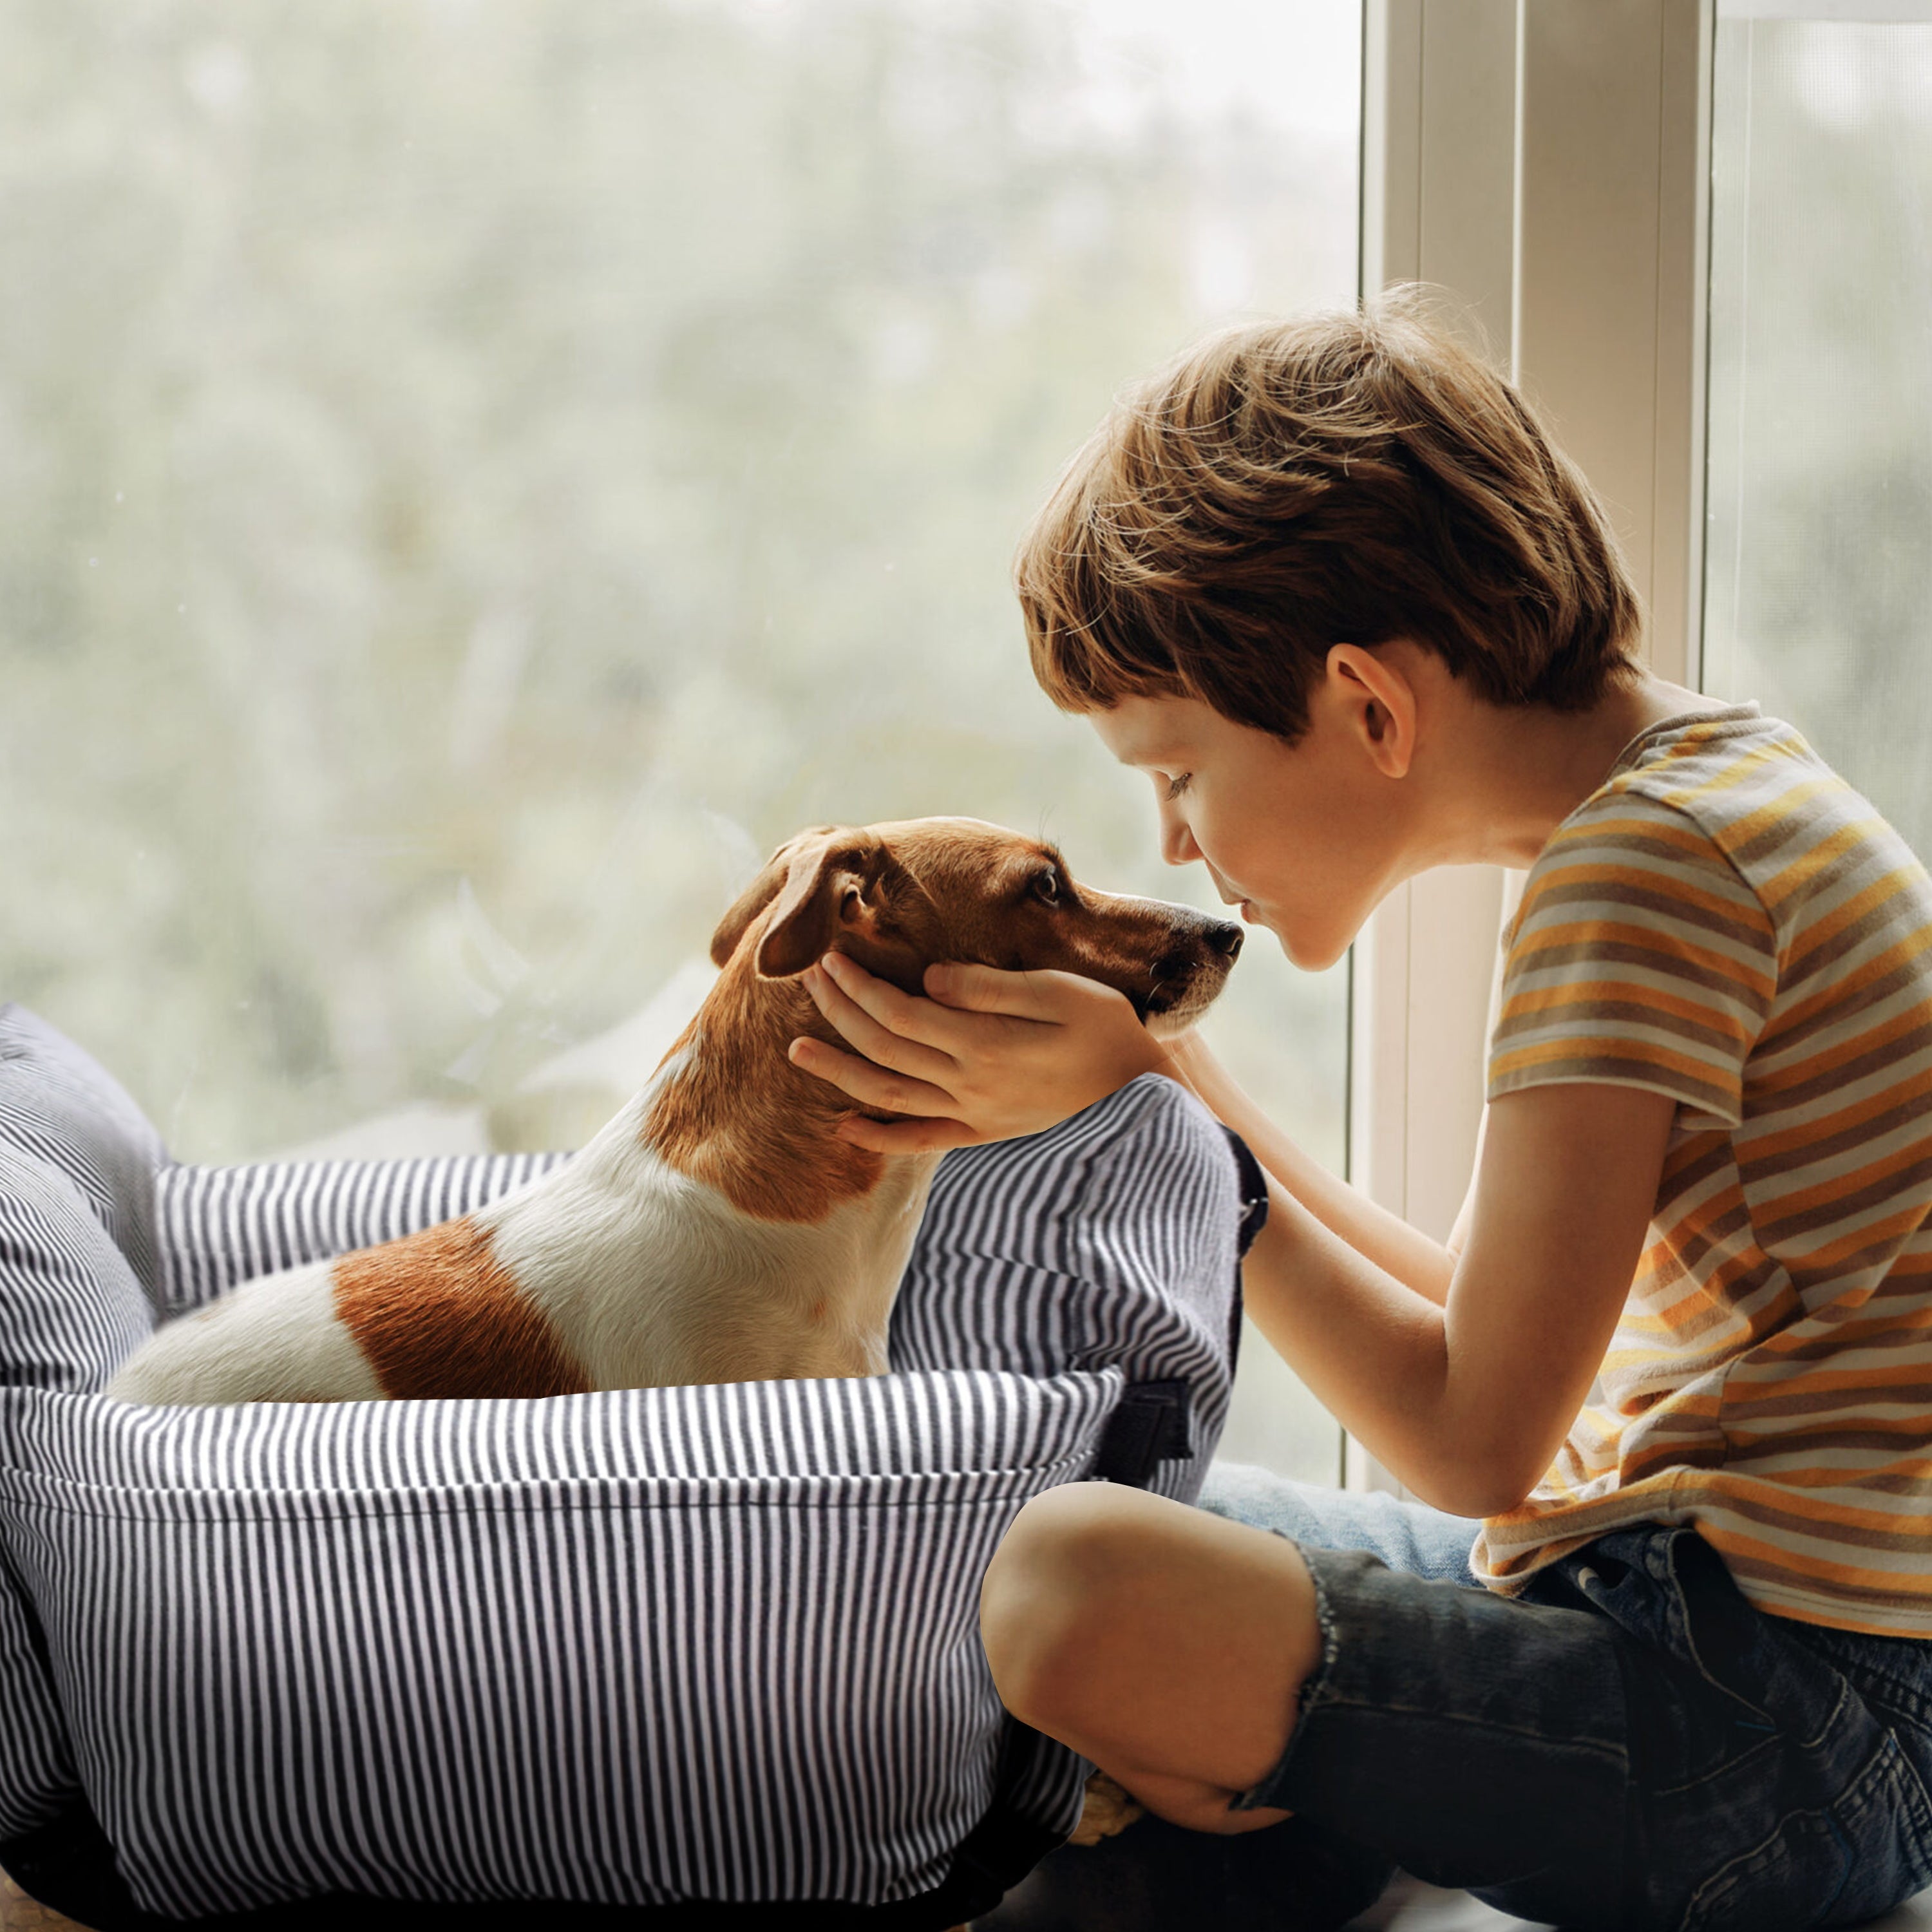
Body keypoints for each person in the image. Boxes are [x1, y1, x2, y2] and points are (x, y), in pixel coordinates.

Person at [784, 291, 1932, 1931]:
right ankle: (1304, 1818)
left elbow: (1472, 1442)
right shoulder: (1706, 803)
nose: (1176, 845)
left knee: (1059, 1577)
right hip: (1699, 1635)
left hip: (1778, 1735)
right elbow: (1487, 1328)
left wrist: (1162, 1124)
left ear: (1369, 709)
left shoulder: (1647, 878)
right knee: (1035, 1518)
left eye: (1173, 771)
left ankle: (1277, 1813)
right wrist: (1170, 1076)